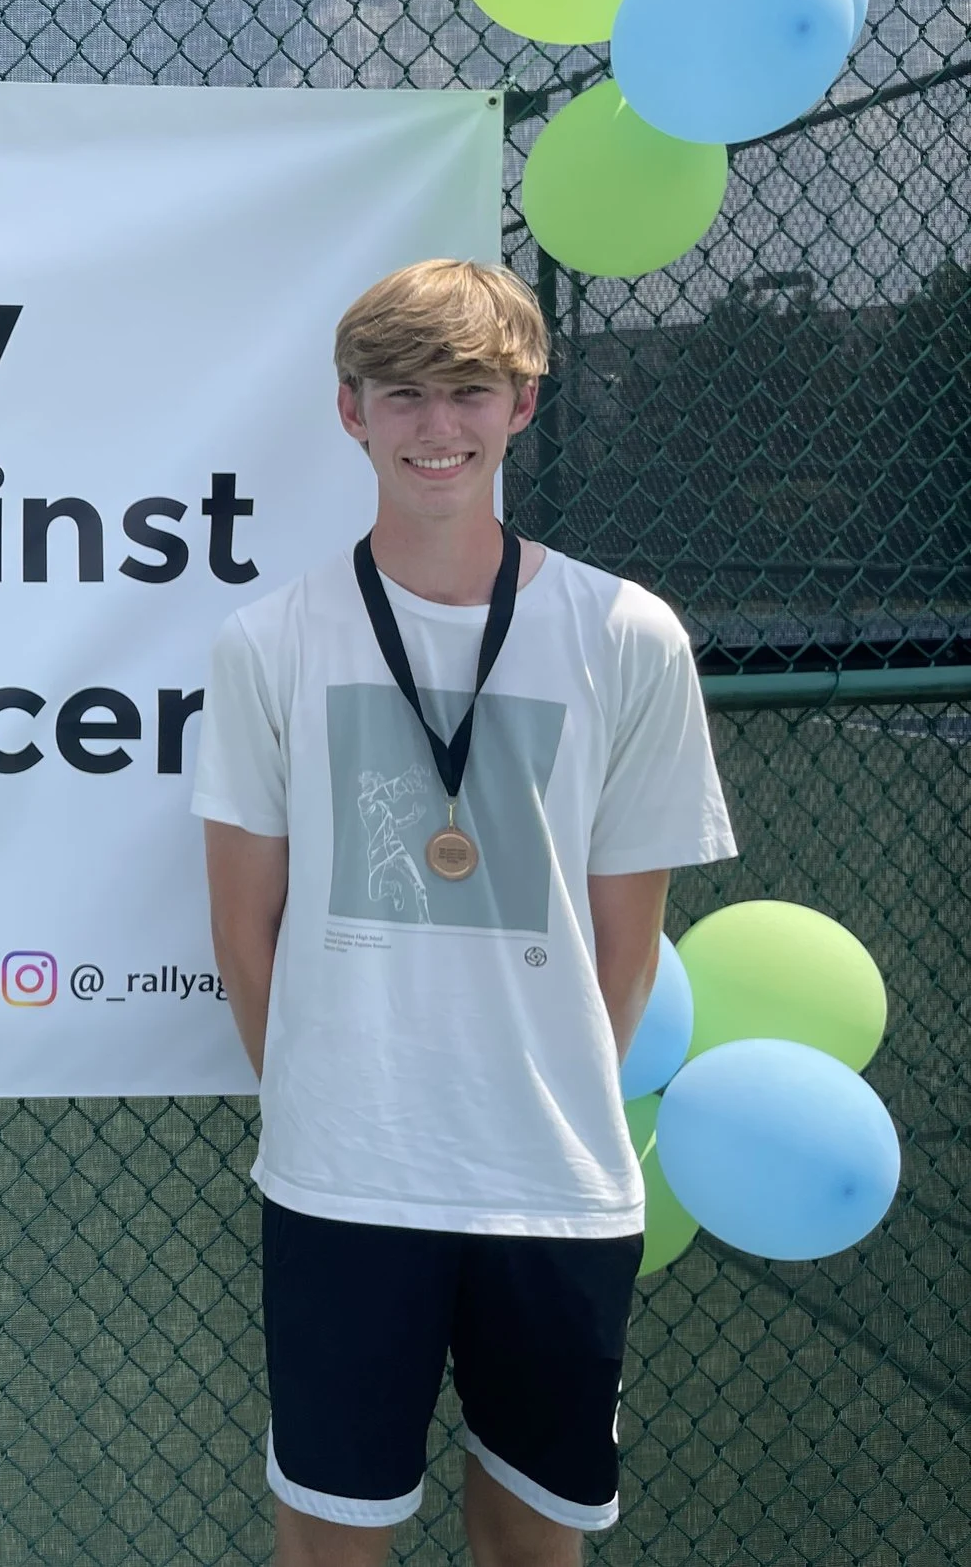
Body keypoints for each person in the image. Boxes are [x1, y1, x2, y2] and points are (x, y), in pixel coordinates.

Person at [191, 260, 736, 1567]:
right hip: (343, 1175)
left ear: (523, 404)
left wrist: (539, 1094)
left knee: (534, 1543)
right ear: (350, 411)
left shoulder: (627, 634)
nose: (438, 427)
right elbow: (244, 935)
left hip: (552, 1180)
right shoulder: (268, 642)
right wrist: (335, 1101)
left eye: (471, 393)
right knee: (330, 1544)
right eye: (404, 395)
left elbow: (624, 945)